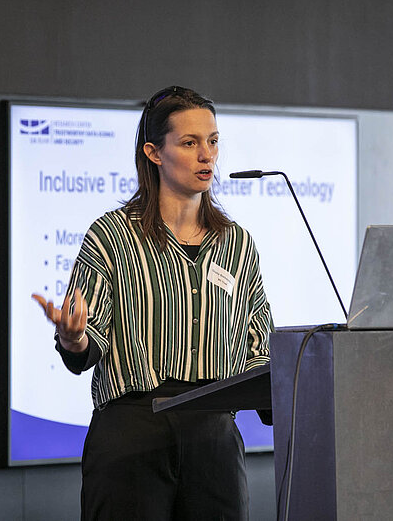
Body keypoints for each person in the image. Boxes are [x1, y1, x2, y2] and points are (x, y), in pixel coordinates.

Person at [33, 85, 273, 520]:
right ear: (154, 152)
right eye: (190, 143)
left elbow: (259, 346)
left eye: (213, 141)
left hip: (214, 436)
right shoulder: (111, 236)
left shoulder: (237, 243)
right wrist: (72, 338)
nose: (207, 156)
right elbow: (87, 341)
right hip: (133, 433)